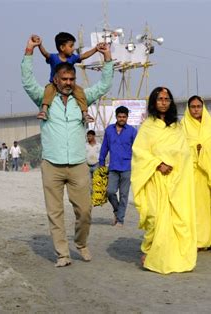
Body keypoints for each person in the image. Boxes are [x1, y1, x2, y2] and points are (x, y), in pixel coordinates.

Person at [21, 35, 113, 267]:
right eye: (64, 78)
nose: (69, 82)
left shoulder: (82, 99)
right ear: (56, 79)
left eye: (72, 78)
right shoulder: (45, 98)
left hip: (78, 166)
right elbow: (28, 82)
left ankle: (81, 243)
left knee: (85, 211)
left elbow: (103, 85)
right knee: (55, 212)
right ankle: (63, 254)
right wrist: (29, 52)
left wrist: (108, 59)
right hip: (51, 165)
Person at [131, 87, 197, 274]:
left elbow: (185, 153)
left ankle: (171, 257)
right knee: (155, 217)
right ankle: (149, 250)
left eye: (167, 99)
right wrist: (158, 164)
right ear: (153, 102)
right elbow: (140, 152)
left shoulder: (177, 127)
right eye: (159, 99)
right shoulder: (147, 127)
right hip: (155, 179)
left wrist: (175, 166)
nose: (163, 102)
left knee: (176, 220)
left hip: (176, 181)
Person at [181, 95, 211, 249]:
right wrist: (195, 150)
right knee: (195, 208)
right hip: (191, 174)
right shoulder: (182, 126)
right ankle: (198, 241)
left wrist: (205, 150)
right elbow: (177, 149)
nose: (196, 110)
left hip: (210, 174)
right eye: (193, 107)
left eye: (198, 106)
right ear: (188, 109)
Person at [33, 32, 100, 122]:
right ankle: (44, 111)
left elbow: (84, 56)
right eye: (71, 46)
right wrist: (39, 45)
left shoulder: (72, 58)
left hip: (69, 85)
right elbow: (45, 53)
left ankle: (85, 114)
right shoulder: (53, 57)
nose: (73, 49)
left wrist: (95, 49)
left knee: (80, 92)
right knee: (48, 91)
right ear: (62, 47)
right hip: (54, 85)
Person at [99, 106, 137, 227]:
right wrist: (101, 163)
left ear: (127, 117)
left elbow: (137, 149)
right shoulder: (109, 130)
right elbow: (104, 147)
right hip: (113, 167)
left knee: (124, 195)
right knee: (110, 192)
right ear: (116, 117)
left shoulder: (132, 131)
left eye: (124, 117)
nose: (122, 119)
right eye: (120, 116)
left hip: (127, 167)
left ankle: (120, 220)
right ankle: (117, 210)